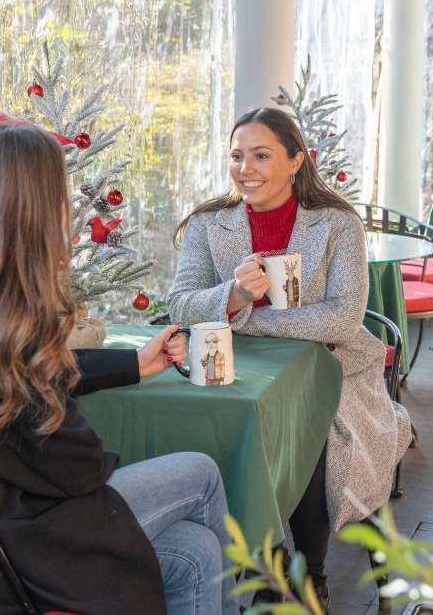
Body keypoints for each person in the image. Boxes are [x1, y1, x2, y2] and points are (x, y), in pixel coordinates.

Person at [0, 124, 239, 615]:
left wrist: (130, 364)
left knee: (193, 551)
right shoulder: (13, 329)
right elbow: (79, 469)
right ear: (35, 216)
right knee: (201, 473)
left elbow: (9, 374)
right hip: (7, 549)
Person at [168, 107, 412, 607]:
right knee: (229, 426)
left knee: (311, 429)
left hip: (337, 373)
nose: (245, 169)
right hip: (238, 372)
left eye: (261, 155)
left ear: (296, 160)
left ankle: (311, 570)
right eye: (237, 156)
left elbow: (342, 320)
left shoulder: (338, 223)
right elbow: (180, 304)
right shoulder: (209, 224)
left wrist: (240, 316)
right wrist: (235, 295)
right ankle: (263, 557)